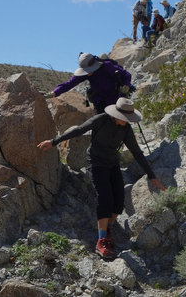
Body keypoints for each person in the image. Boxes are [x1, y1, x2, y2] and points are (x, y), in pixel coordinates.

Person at [37, 97, 165, 260]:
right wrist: (54, 141)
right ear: (116, 114)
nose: (126, 122)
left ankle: (108, 229)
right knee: (105, 199)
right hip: (96, 163)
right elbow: (79, 130)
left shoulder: (125, 129)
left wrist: (151, 176)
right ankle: (101, 240)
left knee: (118, 202)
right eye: (124, 119)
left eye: (128, 120)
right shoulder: (101, 120)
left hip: (112, 164)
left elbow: (137, 153)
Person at [49, 53, 133, 113]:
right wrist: (54, 92)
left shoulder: (107, 66)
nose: (88, 72)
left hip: (116, 98)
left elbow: (126, 74)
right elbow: (69, 84)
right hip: (100, 102)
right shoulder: (85, 73)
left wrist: (126, 85)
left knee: (119, 122)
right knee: (101, 124)